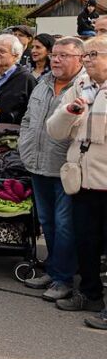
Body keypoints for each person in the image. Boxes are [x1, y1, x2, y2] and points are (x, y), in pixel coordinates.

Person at [46, 35, 107, 328]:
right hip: (82, 180)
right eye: (86, 55)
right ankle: (90, 294)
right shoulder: (80, 88)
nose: (87, 59)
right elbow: (53, 130)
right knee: (86, 243)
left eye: (93, 54)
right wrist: (70, 112)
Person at [18, 36, 84, 302]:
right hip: (37, 165)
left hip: (65, 169)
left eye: (64, 55)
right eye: (55, 54)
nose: (56, 59)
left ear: (79, 59)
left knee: (65, 225)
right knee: (48, 224)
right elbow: (28, 118)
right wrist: (24, 144)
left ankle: (63, 279)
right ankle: (54, 270)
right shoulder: (43, 83)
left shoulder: (84, 88)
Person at [0, 34, 36, 125]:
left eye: (2, 51)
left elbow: (33, 113)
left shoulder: (26, 80)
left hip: (12, 134)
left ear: (15, 56)